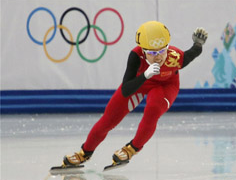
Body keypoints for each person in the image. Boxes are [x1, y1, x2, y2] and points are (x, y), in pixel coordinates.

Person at [62, 21, 208, 168]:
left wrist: (198, 43)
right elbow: (126, 90)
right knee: (109, 119)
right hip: (140, 82)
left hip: (166, 85)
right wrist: (145, 75)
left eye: (162, 51)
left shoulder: (175, 57)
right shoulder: (135, 56)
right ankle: (84, 153)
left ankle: (132, 148)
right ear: (143, 51)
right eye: (152, 53)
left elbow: (194, 52)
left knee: (153, 110)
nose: (158, 57)